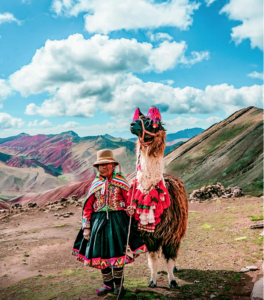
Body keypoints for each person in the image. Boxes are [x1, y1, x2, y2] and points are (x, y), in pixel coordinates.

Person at [72, 149, 148, 296]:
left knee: (118, 254)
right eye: (101, 165)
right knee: (101, 254)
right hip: (98, 224)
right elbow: (87, 207)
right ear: (97, 168)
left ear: (113, 166)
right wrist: (86, 227)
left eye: (106, 164)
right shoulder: (95, 184)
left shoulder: (121, 183)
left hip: (118, 223)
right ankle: (108, 285)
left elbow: (129, 202)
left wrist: (131, 209)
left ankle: (119, 285)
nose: (104, 167)